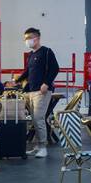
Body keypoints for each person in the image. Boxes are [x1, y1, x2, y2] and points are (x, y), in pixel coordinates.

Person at [16, 28, 59, 158]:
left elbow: (55, 68)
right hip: (30, 91)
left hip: (42, 91)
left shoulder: (47, 52)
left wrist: (46, 83)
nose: (26, 41)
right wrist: (17, 80)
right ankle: (38, 146)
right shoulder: (31, 55)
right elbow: (27, 72)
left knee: (38, 118)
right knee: (34, 120)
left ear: (37, 38)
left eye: (28, 38)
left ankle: (43, 147)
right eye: (25, 39)